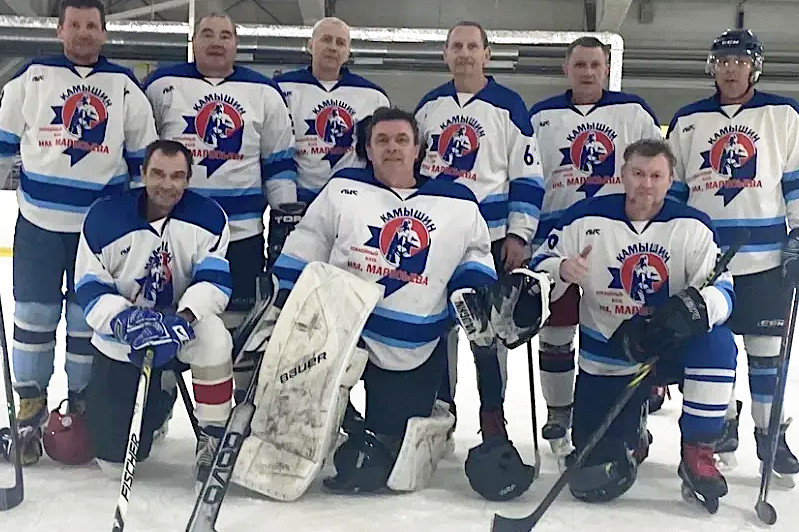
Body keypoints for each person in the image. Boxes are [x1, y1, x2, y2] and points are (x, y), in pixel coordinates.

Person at [255, 106, 534, 499]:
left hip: (410, 344)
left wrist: (474, 292)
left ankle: (384, 428)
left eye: (402, 140)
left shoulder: (457, 200)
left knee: (383, 460)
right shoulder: (342, 189)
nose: (392, 148)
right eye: (382, 140)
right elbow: (310, 240)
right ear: (368, 149)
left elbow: (474, 255)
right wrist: (282, 298)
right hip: (341, 331)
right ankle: (333, 425)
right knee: (301, 419)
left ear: (418, 149)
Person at [529, 138, 737, 509]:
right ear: (622, 175)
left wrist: (695, 309)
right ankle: (632, 432)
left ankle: (697, 451)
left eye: (656, 176)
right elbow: (539, 266)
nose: (646, 184)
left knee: (717, 344)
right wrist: (561, 269)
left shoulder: (693, 226)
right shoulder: (584, 218)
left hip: (670, 345)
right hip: (609, 349)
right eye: (638, 174)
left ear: (671, 180)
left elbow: (723, 289)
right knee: (595, 461)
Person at [0, 0, 156, 465]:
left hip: (99, 232)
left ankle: (81, 406)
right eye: (75, 25)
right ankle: (29, 409)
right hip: (39, 225)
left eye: (92, 25)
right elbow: (3, 142)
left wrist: (137, 225)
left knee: (88, 320)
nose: (83, 33)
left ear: (104, 33)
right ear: (59, 30)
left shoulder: (124, 87)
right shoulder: (31, 77)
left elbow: (142, 163)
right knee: (33, 316)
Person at [667, 28, 799, 478]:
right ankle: (721, 424)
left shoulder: (783, 114)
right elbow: (676, 192)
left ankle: (770, 435)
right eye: (724, 61)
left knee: (767, 354)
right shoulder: (688, 119)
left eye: (740, 61)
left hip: (765, 260)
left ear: (754, 68)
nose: (731, 69)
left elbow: (795, 180)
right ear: (712, 67)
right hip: (705, 262)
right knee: (711, 350)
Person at [414, 21, 544, 456]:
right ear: (446, 54)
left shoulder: (509, 106)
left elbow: (528, 176)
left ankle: (492, 415)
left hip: (490, 241)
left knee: (487, 333)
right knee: (439, 329)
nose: (465, 54)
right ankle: (441, 411)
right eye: (457, 46)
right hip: (437, 240)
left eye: (473, 46)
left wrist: (519, 234)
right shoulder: (430, 106)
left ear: (487, 54)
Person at [528, 36, 663, 454]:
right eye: (580, 65)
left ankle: (634, 414)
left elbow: (659, 169)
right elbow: (528, 179)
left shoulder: (633, 111)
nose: (587, 72)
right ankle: (559, 412)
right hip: (561, 241)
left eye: (595, 65)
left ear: (606, 69)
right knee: (556, 331)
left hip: (623, 242)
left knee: (627, 331)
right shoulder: (541, 116)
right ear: (566, 69)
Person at [74, 139, 234, 487]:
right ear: (143, 173)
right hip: (124, 341)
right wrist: (125, 321)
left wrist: (182, 320)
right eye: (158, 174)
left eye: (177, 176)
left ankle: (213, 435)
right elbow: (89, 287)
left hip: (179, 332)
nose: (167, 184)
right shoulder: (104, 218)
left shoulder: (209, 217)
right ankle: (159, 402)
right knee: (112, 463)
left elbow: (214, 281)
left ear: (188, 179)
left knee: (214, 336)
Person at [274, 16, 390, 205]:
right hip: (299, 202)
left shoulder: (373, 96)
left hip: (352, 202)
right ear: (310, 45)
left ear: (348, 52)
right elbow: (275, 150)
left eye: (340, 43)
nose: (333, 47)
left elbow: (378, 156)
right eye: (326, 39)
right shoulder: (281, 88)